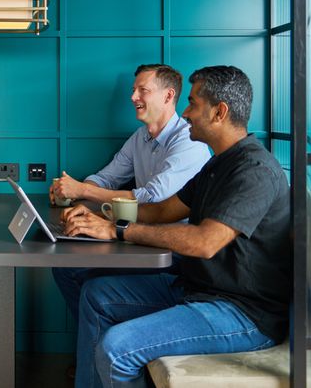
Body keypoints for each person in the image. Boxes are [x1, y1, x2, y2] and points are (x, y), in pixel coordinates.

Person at [63, 66, 292, 388]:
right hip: (199, 289)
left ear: (219, 112)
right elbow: (160, 212)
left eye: (193, 103)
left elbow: (205, 242)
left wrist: (118, 231)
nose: (185, 113)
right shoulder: (218, 164)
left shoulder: (253, 170)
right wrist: (101, 221)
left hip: (243, 314)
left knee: (117, 348)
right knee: (96, 293)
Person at [52, 64, 210, 323]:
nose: (133, 97)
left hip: (173, 249)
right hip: (135, 236)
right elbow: (105, 177)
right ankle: (93, 346)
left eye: (142, 90)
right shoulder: (140, 137)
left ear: (168, 96)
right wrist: (74, 194)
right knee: (66, 266)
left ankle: (97, 348)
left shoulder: (188, 141)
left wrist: (83, 190)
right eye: (133, 90)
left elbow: (153, 199)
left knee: (80, 270)